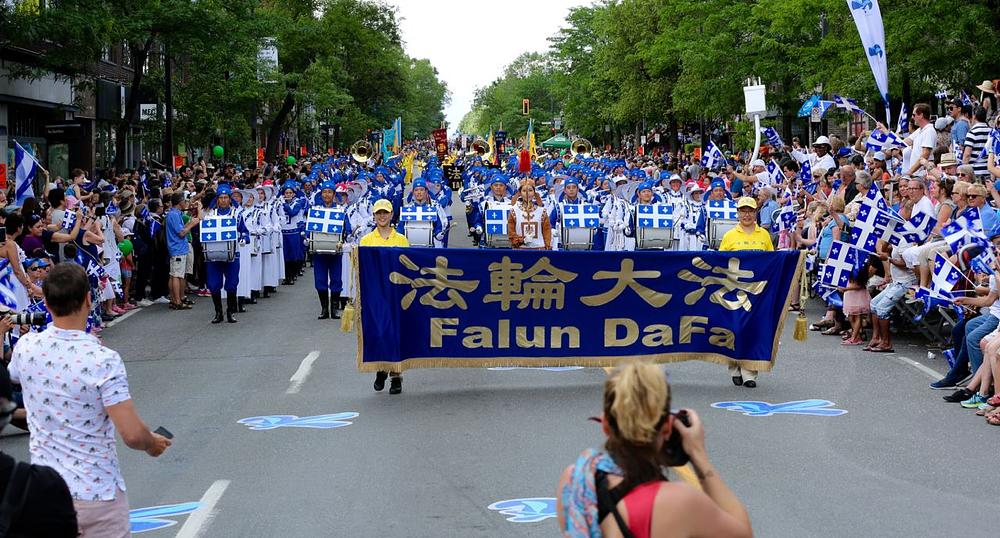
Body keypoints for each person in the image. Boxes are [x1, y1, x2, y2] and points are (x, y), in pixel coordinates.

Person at [9, 263, 171, 536]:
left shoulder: (26, 349)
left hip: (45, 494)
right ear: (88, 299)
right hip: (97, 493)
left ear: (46, 302)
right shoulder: (103, 360)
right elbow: (132, 435)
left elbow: (12, 376)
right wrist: (152, 443)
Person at [557, 363, 752, 538]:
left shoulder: (576, 479)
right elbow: (743, 534)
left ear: (605, 425)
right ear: (667, 427)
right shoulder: (679, 501)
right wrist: (698, 454)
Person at [719, 196, 773, 388]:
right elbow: (720, 263)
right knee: (735, 329)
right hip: (734, 290)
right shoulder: (729, 236)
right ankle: (734, 366)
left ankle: (750, 372)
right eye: (743, 211)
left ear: (755, 213)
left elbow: (772, 262)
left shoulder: (764, 235)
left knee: (753, 330)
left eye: (750, 211)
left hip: (757, 292)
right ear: (738, 213)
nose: (747, 214)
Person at [360, 199, 409, 395]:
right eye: (378, 213)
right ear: (374, 216)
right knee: (379, 332)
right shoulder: (366, 241)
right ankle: (381, 369)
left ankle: (396, 376)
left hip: (396, 294)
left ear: (391, 215)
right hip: (375, 294)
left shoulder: (402, 240)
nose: (382, 216)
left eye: (385, 213)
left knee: (396, 334)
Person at [165, 193, 200, 310]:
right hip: (177, 248)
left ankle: (174, 299)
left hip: (179, 247)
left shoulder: (176, 214)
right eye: (184, 201)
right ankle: (177, 301)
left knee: (174, 274)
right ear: (180, 202)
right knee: (176, 275)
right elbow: (181, 233)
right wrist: (191, 224)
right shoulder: (173, 215)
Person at [509, 180, 552, 250]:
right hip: (520, 250)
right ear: (520, 193)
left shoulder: (542, 211)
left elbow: (547, 231)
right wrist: (521, 240)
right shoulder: (514, 211)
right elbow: (511, 232)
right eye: (524, 191)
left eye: (530, 190)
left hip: (539, 250)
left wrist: (547, 245)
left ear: (534, 192)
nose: (527, 194)